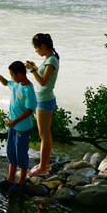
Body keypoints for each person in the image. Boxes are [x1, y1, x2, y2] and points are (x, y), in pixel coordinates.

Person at [0, 61, 36, 193]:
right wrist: (0, 77)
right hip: (12, 126)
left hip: (22, 127)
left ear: (20, 74)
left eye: (12, 75)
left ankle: (21, 181)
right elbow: (7, 83)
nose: (11, 77)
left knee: (21, 153)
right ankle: (10, 179)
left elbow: (29, 110)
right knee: (11, 151)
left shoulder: (28, 89)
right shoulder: (15, 84)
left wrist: (14, 121)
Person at [24, 33, 59, 176]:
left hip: (45, 100)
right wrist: (35, 68)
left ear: (43, 46)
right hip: (42, 99)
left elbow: (44, 82)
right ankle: (44, 163)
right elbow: (44, 77)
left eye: (36, 48)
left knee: (44, 135)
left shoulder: (51, 61)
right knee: (44, 134)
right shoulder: (49, 59)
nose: (36, 51)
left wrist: (32, 71)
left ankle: (43, 167)